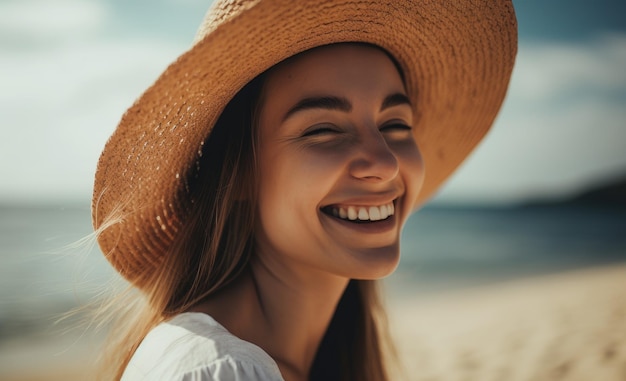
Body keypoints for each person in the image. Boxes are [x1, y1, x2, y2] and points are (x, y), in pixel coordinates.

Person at [91, 1, 517, 380]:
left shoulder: (303, 360)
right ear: (238, 173)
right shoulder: (220, 370)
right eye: (324, 130)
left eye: (395, 125)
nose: (385, 162)